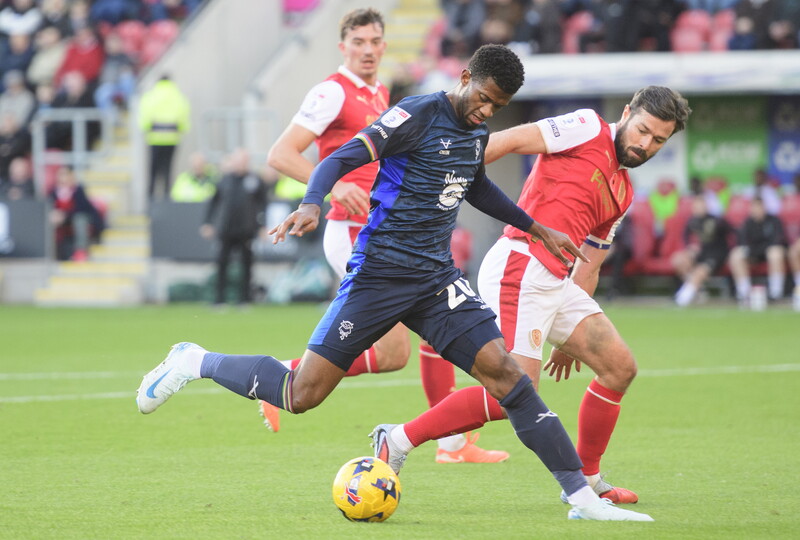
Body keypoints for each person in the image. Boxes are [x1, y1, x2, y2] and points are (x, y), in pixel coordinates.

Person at [136, 44, 652, 522]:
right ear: (465, 77)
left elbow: (477, 188)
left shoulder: (475, 133)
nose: (486, 112)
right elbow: (340, 158)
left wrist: (535, 226)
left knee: (509, 379)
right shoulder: (417, 113)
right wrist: (313, 201)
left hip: (435, 279)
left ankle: (582, 497)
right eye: (484, 98)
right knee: (301, 394)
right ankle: (195, 361)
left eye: (497, 107)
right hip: (379, 275)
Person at [371, 86, 690, 505]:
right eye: (643, 131)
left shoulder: (623, 192)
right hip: (520, 265)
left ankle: (589, 479)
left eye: (658, 140)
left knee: (619, 367)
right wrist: (446, 172)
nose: (645, 144)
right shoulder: (586, 126)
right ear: (627, 112)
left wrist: (568, 340)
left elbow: (589, 264)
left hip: (557, 281)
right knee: (512, 394)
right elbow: (510, 140)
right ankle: (397, 439)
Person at [261, 8, 505, 465]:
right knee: (408, 343)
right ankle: (285, 378)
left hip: (391, 231)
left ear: (384, 45)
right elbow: (280, 154)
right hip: (356, 232)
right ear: (343, 47)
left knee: (411, 346)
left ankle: (451, 444)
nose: (368, 50)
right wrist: (333, 187)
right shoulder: (332, 93)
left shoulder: (378, 93)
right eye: (358, 42)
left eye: (375, 41)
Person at [201, 148, 268, 306]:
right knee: (222, 263)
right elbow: (213, 203)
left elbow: (263, 204)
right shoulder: (224, 180)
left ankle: (244, 299)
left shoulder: (254, 180)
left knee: (247, 265)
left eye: (244, 161)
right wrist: (208, 223)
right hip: (226, 228)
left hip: (246, 229)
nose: (241, 164)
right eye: (238, 161)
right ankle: (219, 299)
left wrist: (262, 225)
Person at [672, 195, 735, 306]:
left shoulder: (717, 221)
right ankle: (698, 290)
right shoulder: (693, 221)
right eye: (696, 206)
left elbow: (735, 232)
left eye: (701, 205)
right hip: (703, 252)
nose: (698, 208)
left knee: (700, 270)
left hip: (717, 254)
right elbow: (685, 235)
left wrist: (733, 250)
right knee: (678, 259)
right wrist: (689, 247)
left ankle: (683, 298)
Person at [139, 74, 190, 200]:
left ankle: (151, 200)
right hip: (172, 138)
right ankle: (167, 200)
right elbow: (184, 117)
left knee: (153, 172)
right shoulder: (178, 96)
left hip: (154, 138)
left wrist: (147, 128)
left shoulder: (151, 96)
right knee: (168, 171)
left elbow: (144, 117)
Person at [728, 197, 787, 302]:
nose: (757, 210)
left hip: (768, 253)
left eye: (759, 207)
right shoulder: (747, 223)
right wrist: (752, 253)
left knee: (775, 253)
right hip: (753, 255)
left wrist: (759, 249)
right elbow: (743, 243)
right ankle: (744, 293)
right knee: (736, 255)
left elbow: (777, 241)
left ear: (764, 208)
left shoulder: (774, 221)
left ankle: (775, 293)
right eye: (754, 207)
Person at [49, 165, 104, 261]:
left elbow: (81, 209)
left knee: (80, 220)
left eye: (65, 174)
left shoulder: (78, 190)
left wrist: (65, 215)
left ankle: (81, 250)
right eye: (61, 175)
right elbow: (49, 207)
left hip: (77, 218)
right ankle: (51, 252)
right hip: (61, 221)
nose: (63, 178)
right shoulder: (53, 192)